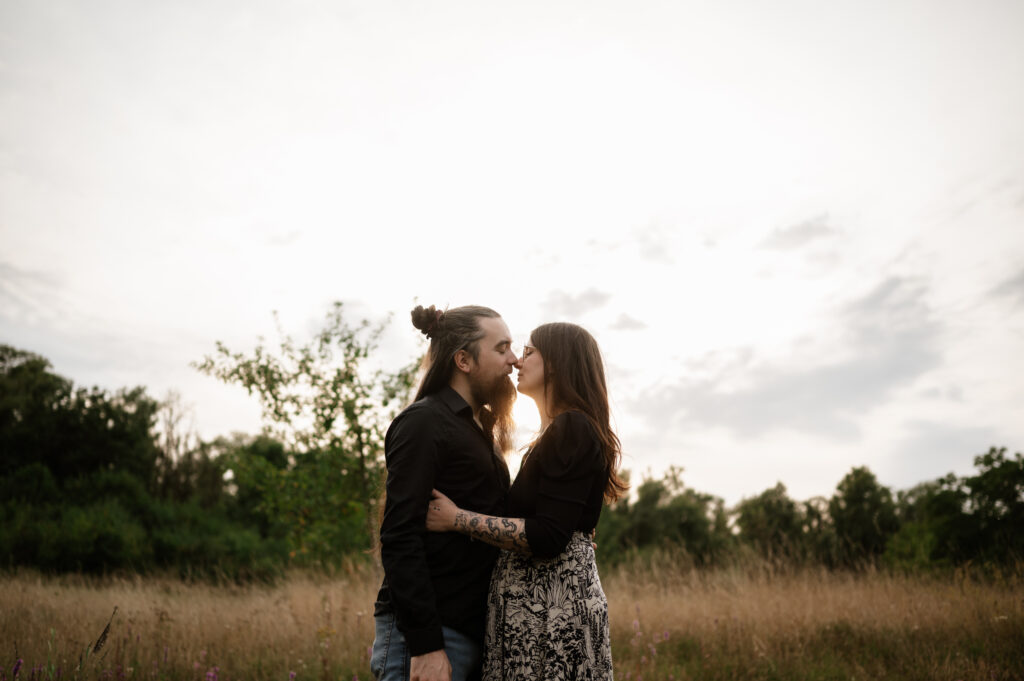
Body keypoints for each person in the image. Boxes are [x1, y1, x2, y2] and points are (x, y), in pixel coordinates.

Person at [426, 322, 628, 681]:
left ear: (557, 363)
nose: (518, 361)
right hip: (536, 608)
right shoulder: (553, 432)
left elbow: (548, 536)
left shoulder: (573, 427)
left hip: (552, 609)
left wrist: (457, 519)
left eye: (530, 351)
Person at [372, 304, 520, 681]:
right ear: (463, 360)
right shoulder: (424, 422)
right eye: (501, 348)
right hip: (428, 637)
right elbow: (399, 535)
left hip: (470, 630)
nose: (513, 360)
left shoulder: (479, 430)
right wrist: (426, 645)